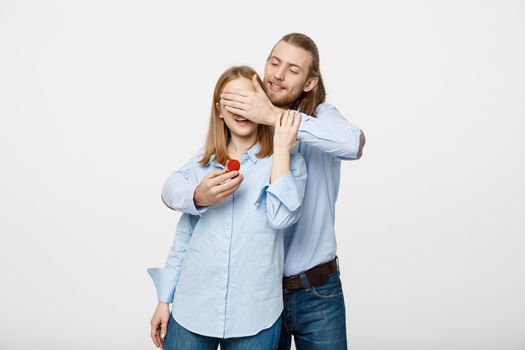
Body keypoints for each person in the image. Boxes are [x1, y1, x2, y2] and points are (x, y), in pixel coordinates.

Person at [159, 33, 366, 349]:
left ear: (310, 83)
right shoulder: (246, 130)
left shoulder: (318, 120)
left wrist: (273, 118)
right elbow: (183, 186)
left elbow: (353, 144)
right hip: (258, 292)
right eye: (274, 62)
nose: (279, 75)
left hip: (314, 289)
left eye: (293, 70)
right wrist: (197, 196)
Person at [148, 65, 307, 350]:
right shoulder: (203, 164)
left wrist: (281, 149)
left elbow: (283, 217)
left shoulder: (287, 161)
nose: (240, 108)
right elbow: (183, 231)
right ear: (219, 109)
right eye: (231, 100)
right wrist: (165, 298)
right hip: (193, 308)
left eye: (248, 99)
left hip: (256, 314)